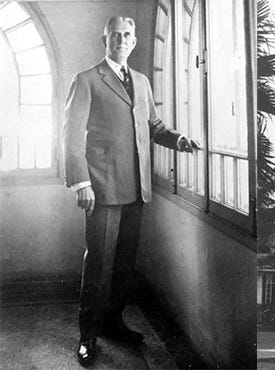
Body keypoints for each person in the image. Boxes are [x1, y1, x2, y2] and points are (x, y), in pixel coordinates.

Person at [62, 16, 200, 367]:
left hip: (137, 190)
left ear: (134, 42)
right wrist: (82, 183)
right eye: (115, 36)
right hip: (102, 191)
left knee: (124, 265)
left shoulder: (140, 81)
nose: (121, 40)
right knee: (98, 265)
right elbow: (70, 135)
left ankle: (113, 322)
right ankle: (88, 336)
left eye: (127, 35)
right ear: (104, 40)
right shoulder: (88, 80)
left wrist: (178, 139)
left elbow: (152, 125)